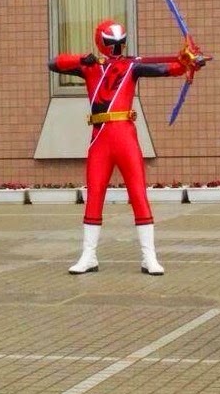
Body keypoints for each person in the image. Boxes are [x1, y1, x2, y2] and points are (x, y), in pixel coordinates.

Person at [49, 19, 204, 276]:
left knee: (138, 194)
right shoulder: (90, 68)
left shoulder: (132, 66)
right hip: (100, 140)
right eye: (112, 43)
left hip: (125, 139)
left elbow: (167, 69)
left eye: (120, 43)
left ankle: (149, 257)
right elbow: (54, 63)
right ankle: (88, 255)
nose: (117, 48)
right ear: (101, 43)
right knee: (94, 195)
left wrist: (189, 63)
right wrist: (81, 59)